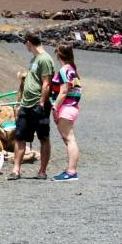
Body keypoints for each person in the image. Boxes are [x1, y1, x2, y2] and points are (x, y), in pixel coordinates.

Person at [9, 32, 54, 180]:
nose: (25, 46)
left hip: (38, 104)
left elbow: (47, 83)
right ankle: (16, 170)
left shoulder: (45, 59)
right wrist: (21, 103)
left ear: (29, 42)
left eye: (25, 43)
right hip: (26, 104)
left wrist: (41, 103)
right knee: (20, 136)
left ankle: (42, 171)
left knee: (43, 137)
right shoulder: (34, 59)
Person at [49, 43, 82, 181]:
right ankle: (70, 170)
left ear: (59, 54)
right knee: (69, 139)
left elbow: (63, 91)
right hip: (72, 107)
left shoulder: (64, 70)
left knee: (70, 140)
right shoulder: (72, 69)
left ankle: (71, 171)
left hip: (66, 107)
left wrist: (55, 107)